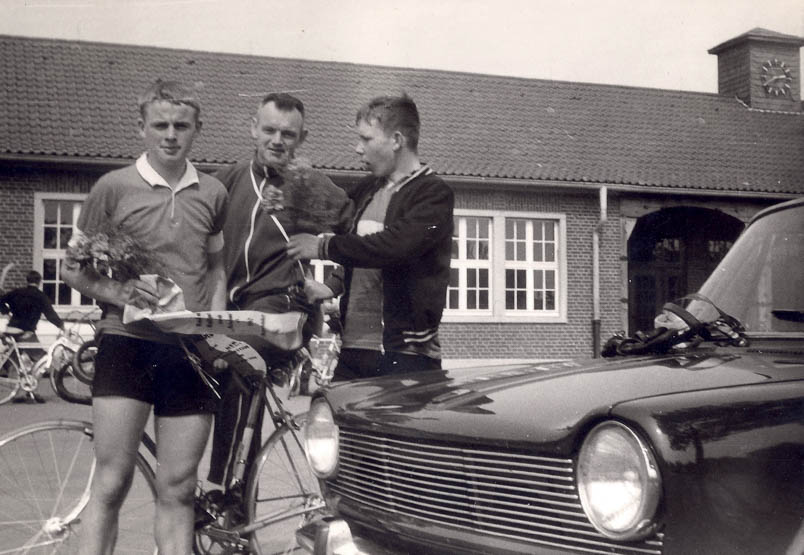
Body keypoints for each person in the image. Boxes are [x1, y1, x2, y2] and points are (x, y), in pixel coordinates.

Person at [62, 79, 229, 554]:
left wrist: (212, 329)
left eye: (182, 125)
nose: (171, 135)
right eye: (160, 125)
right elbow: (72, 268)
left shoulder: (213, 192)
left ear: (197, 129)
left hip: (189, 353)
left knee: (178, 488)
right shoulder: (112, 188)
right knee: (111, 483)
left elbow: (216, 266)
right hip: (126, 344)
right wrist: (118, 290)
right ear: (142, 129)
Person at [207, 92, 352, 489]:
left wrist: (334, 283)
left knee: (234, 359)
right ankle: (216, 487)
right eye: (269, 130)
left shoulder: (310, 186)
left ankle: (224, 494)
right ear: (253, 129)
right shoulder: (226, 182)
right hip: (231, 309)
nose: (277, 140)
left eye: (288, 134)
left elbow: (358, 238)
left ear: (302, 137)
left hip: (284, 306)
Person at [287, 94, 454, 379]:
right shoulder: (366, 191)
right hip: (354, 351)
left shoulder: (433, 194)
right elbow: (358, 243)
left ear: (397, 140)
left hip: (407, 356)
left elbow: (393, 246)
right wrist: (331, 286)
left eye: (366, 139)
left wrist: (322, 247)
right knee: (335, 423)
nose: (357, 149)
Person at [1, 270, 65, 402]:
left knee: (15, 363)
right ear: (39, 282)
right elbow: (51, 315)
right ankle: (30, 391)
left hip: (11, 331)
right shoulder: (40, 296)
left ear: (27, 280)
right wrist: (62, 326)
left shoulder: (16, 292)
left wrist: (6, 312)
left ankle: (18, 394)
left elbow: (0, 300)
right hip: (26, 333)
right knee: (42, 360)